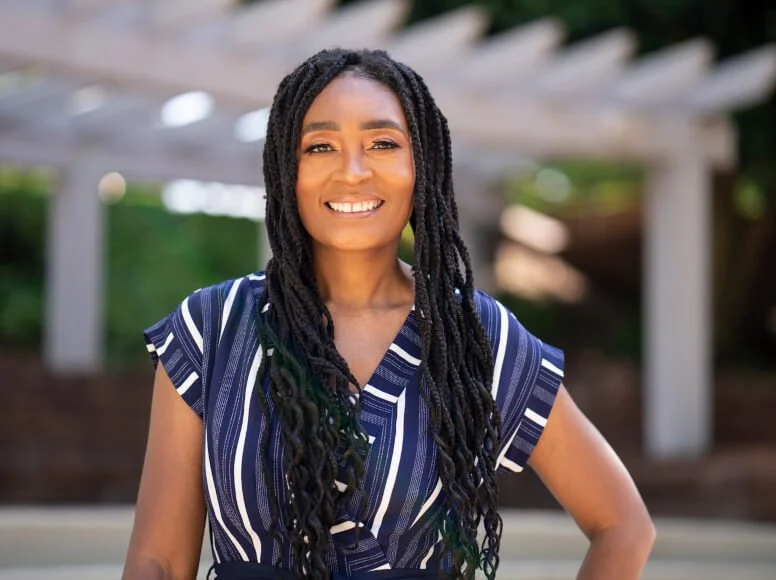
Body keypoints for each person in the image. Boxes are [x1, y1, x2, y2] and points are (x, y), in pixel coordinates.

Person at [122, 48, 655, 580]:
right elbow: (158, 562)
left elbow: (624, 526)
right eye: (322, 146)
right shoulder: (212, 329)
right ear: (289, 169)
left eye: (382, 143)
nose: (353, 172)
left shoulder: (475, 338)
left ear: (420, 163)